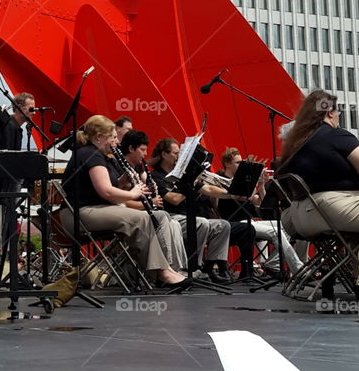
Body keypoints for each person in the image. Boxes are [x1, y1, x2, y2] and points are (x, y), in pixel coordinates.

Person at [60, 116, 189, 289]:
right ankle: (162, 273)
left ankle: (162, 271)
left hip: (92, 209)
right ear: (99, 137)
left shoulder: (99, 155)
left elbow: (101, 188)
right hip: (78, 214)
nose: (115, 141)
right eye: (112, 137)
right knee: (141, 219)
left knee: (145, 218)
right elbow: (105, 191)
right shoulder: (90, 154)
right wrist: (133, 193)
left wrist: (121, 182)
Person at [276, 90, 359, 284]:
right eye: (337, 111)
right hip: (331, 209)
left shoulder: (295, 144)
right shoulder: (337, 136)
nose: (338, 115)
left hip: (297, 217)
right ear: (330, 112)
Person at [148, 138, 232, 283]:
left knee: (223, 225)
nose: (178, 157)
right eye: (175, 154)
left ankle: (209, 269)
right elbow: (173, 199)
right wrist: (191, 182)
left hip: (190, 218)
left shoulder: (183, 175)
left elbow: (208, 189)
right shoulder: (157, 176)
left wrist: (232, 193)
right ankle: (193, 267)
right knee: (201, 223)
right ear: (164, 154)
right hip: (171, 218)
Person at [218, 147, 302, 277]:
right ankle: (298, 269)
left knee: (288, 225)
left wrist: (261, 184)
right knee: (276, 231)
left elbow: (260, 203)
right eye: (238, 163)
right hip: (235, 222)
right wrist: (253, 180)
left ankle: (272, 263)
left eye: (242, 162)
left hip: (249, 221)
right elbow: (244, 197)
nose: (241, 165)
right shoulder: (221, 180)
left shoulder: (243, 181)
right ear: (227, 164)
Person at [114, 129, 187, 272]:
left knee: (174, 225)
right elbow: (119, 201)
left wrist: (149, 197)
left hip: (139, 212)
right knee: (163, 216)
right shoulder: (118, 167)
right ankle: (167, 269)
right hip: (127, 213)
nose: (145, 154)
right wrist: (150, 203)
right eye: (142, 150)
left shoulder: (136, 168)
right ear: (130, 149)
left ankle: (179, 268)